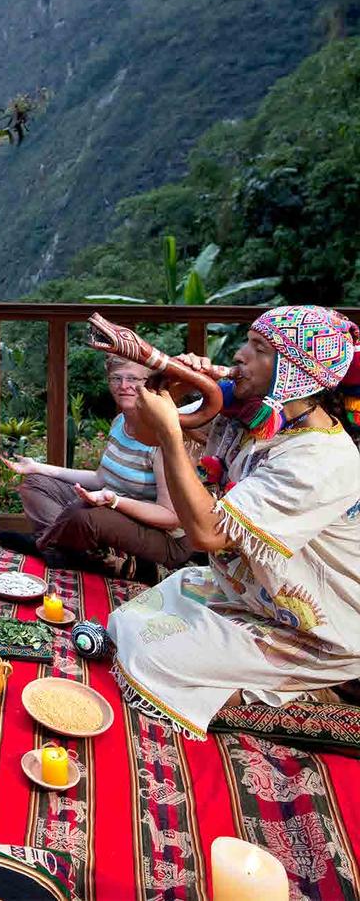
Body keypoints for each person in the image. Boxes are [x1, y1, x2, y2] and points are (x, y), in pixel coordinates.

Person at [107, 305, 360, 740]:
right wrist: (168, 383)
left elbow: (207, 534)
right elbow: (143, 430)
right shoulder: (252, 413)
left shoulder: (320, 459)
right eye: (247, 342)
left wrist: (171, 435)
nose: (240, 355)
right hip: (251, 596)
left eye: (258, 349)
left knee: (152, 656)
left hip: (317, 629)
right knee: (131, 618)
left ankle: (290, 700)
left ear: (293, 372)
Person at [3, 355, 188, 580]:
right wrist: (38, 467)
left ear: (150, 383)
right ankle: (68, 552)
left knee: (82, 513)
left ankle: (48, 546)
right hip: (111, 506)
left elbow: (170, 517)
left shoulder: (161, 436)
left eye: (133, 378)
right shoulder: (120, 422)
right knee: (36, 484)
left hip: (165, 538)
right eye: (116, 378)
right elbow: (101, 479)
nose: (124, 386)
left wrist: (114, 501)